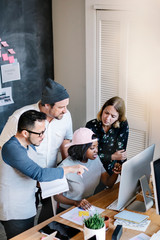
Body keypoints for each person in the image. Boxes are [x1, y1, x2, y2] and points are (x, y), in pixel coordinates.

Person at [0, 110, 88, 239]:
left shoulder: (29, 145)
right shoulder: (11, 148)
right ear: (25, 133)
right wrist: (70, 169)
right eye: (40, 133)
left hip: (27, 203)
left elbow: (31, 173)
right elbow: (38, 173)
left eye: (44, 132)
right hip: (15, 210)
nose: (43, 136)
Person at [0, 78, 73, 222]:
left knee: (49, 221)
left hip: (51, 177)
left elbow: (66, 144)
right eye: (60, 107)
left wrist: (67, 173)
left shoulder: (65, 116)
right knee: (22, 223)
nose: (65, 110)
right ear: (46, 105)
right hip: (25, 180)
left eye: (66, 106)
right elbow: (3, 148)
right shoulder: (19, 118)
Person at [54, 128, 121, 212]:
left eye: (97, 146)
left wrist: (115, 172)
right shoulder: (65, 166)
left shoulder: (95, 159)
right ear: (81, 148)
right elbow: (57, 196)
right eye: (92, 148)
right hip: (68, 210)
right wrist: (76, 202)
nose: (96, 151)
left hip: (88, 206)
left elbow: (108, 183)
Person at [86, 96, 129, 192]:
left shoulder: (123, 124)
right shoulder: (91, 126)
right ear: (102, 110)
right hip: (93, 169)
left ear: (118, 118)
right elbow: (90, 155)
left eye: (113, 116)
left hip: (111, 171)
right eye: (106, 113)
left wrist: (126, 176)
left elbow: (121, 153)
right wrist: (112, 157)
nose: (107, 118)